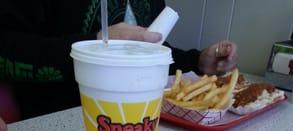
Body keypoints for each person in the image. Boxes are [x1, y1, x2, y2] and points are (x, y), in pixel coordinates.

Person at [0, 0, 237, 119]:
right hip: (58, 122)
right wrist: (94, 45)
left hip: (142, 122)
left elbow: (148, 50)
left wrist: (198, 61)